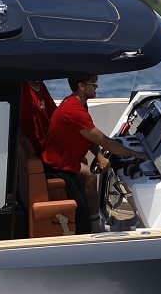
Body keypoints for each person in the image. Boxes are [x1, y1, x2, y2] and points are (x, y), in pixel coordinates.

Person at [41, 73, 143, 233]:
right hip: (58, 168)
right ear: (81, 86)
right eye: (93, 85)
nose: (96, 88)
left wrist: (100, 156)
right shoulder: (74, 111)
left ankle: (96, 222)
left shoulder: (78, 103)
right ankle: (92, 228)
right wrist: (137, 154)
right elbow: (107, 142)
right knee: (82, 211)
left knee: (89, 173)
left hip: (64, 162)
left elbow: (88, 136)